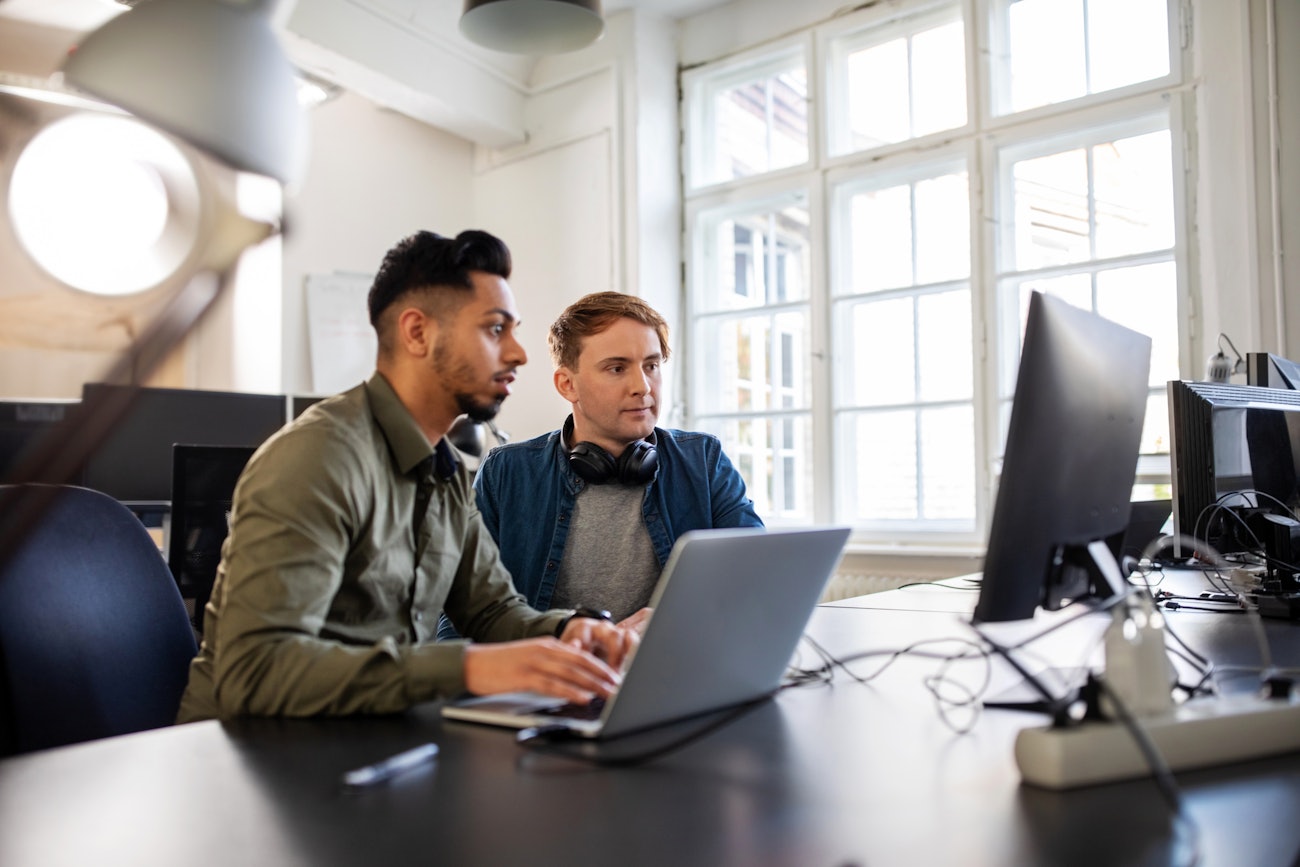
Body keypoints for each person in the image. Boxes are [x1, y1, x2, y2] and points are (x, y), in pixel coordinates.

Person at [176, 230, 635, 723]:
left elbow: (492, 612)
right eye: (495, 329)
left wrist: (571, 632)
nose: (519, 353)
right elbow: (256, 673)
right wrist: (467, 668)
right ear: (417, 333)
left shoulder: (446, 469)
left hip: (367, 743)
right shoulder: (317, 459)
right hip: (246, 759)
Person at [440, 291, 762, 640]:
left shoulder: (703, 459)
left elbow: (758, 575)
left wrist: (674, 618)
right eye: (617, 368)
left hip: (678, 668)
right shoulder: (506, 473)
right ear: (567, 384)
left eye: (651, 365)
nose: (642, 386)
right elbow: (458, 619)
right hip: (553, 682)